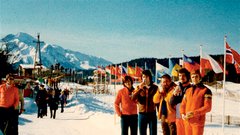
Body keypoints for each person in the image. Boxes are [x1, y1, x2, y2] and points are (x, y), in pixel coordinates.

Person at [180, 70, 212, 135]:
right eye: (193, 77)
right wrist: (182, 113)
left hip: (197, 122)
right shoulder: (188, 90)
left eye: (196, 76)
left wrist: (194, 113)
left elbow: (208, 107)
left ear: (200, 77)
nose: (194, 78)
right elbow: (183, 104)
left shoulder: (206, 90)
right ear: (191, 78)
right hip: (187, 121)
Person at [132, 70, 158, 135]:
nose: (145, 78)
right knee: (142, 133)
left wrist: (159, 112)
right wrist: (140, 88)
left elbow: (158, 101)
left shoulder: (155, 87)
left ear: (149, 77)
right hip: (142, 114)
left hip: (152, 113)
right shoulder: (138, 87)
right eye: (143, 77)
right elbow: (133, 98)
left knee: (153, 133)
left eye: (146, 77)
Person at [170, 68, 191, 135]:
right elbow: (171, 103)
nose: (181, 77)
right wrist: (174, 95)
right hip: (179, 116)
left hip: (189, 116)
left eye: (183, 75)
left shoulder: (191, 88)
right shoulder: (177, 87)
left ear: (187, 76)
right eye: (180, 75)